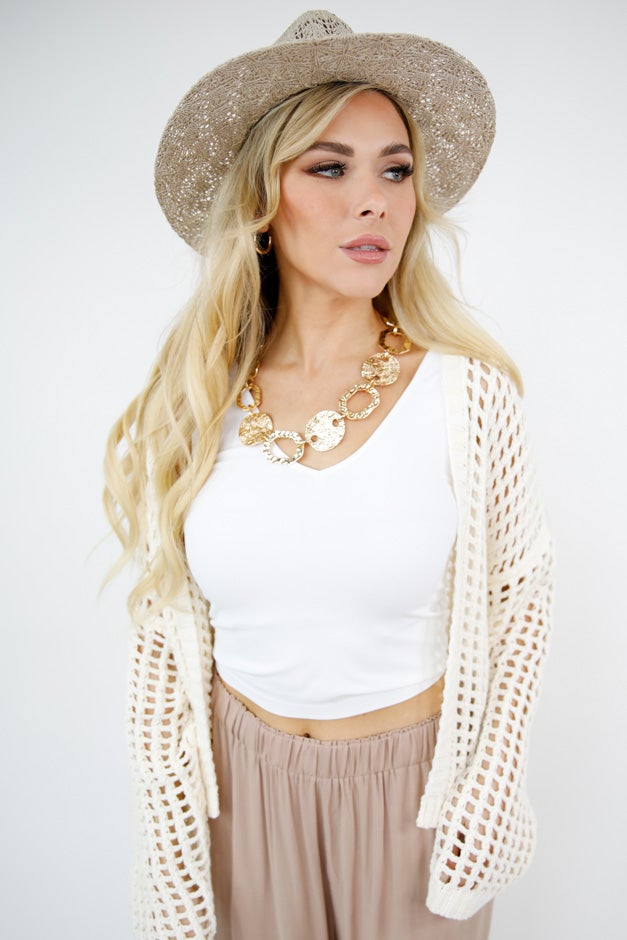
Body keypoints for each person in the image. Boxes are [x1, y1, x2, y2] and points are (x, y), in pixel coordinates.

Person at [104, 10, 554, 940]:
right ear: (261, 205)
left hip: (417, 805)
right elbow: (160, 631)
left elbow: (518, 595)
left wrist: (492, 782)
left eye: (394, 170)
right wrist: (167, 827)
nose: (374, 202)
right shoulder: (196, 399)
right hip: (239, 799)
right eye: (328, 168)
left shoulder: (465, 394)